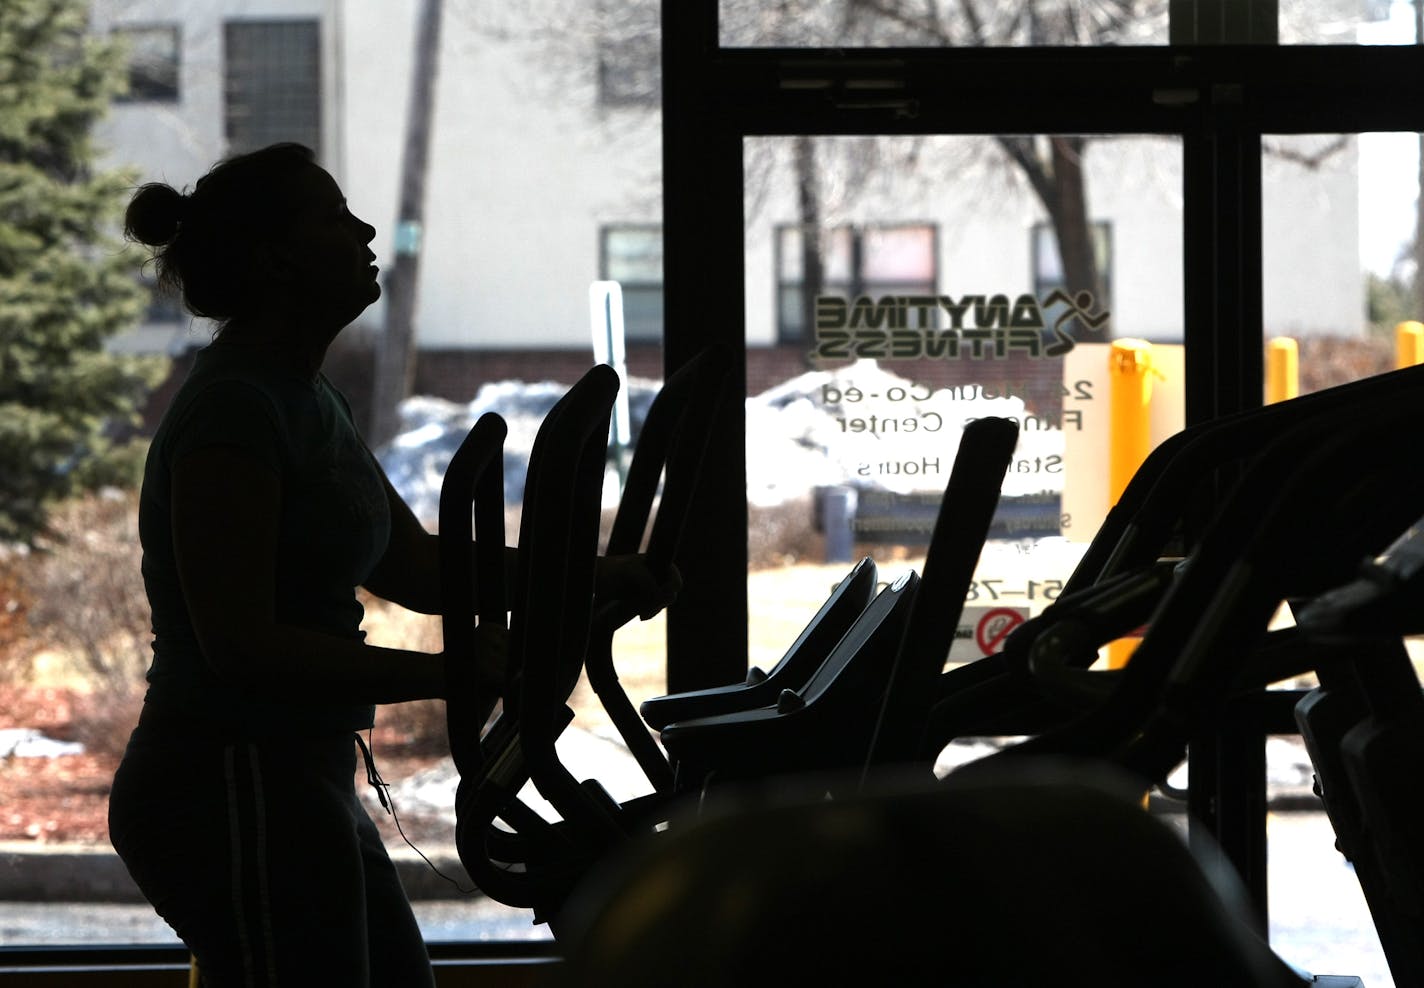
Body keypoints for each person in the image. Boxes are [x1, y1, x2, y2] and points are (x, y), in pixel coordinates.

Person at [108, 143, 675, 987]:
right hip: (227, 782)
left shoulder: (304, 395)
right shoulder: (235, 411)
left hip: (299, 773)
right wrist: (446, 673)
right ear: (277, 260)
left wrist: (587, 577)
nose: (367, 230)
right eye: (335, 215)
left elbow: (417, 567)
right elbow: (241, 645)